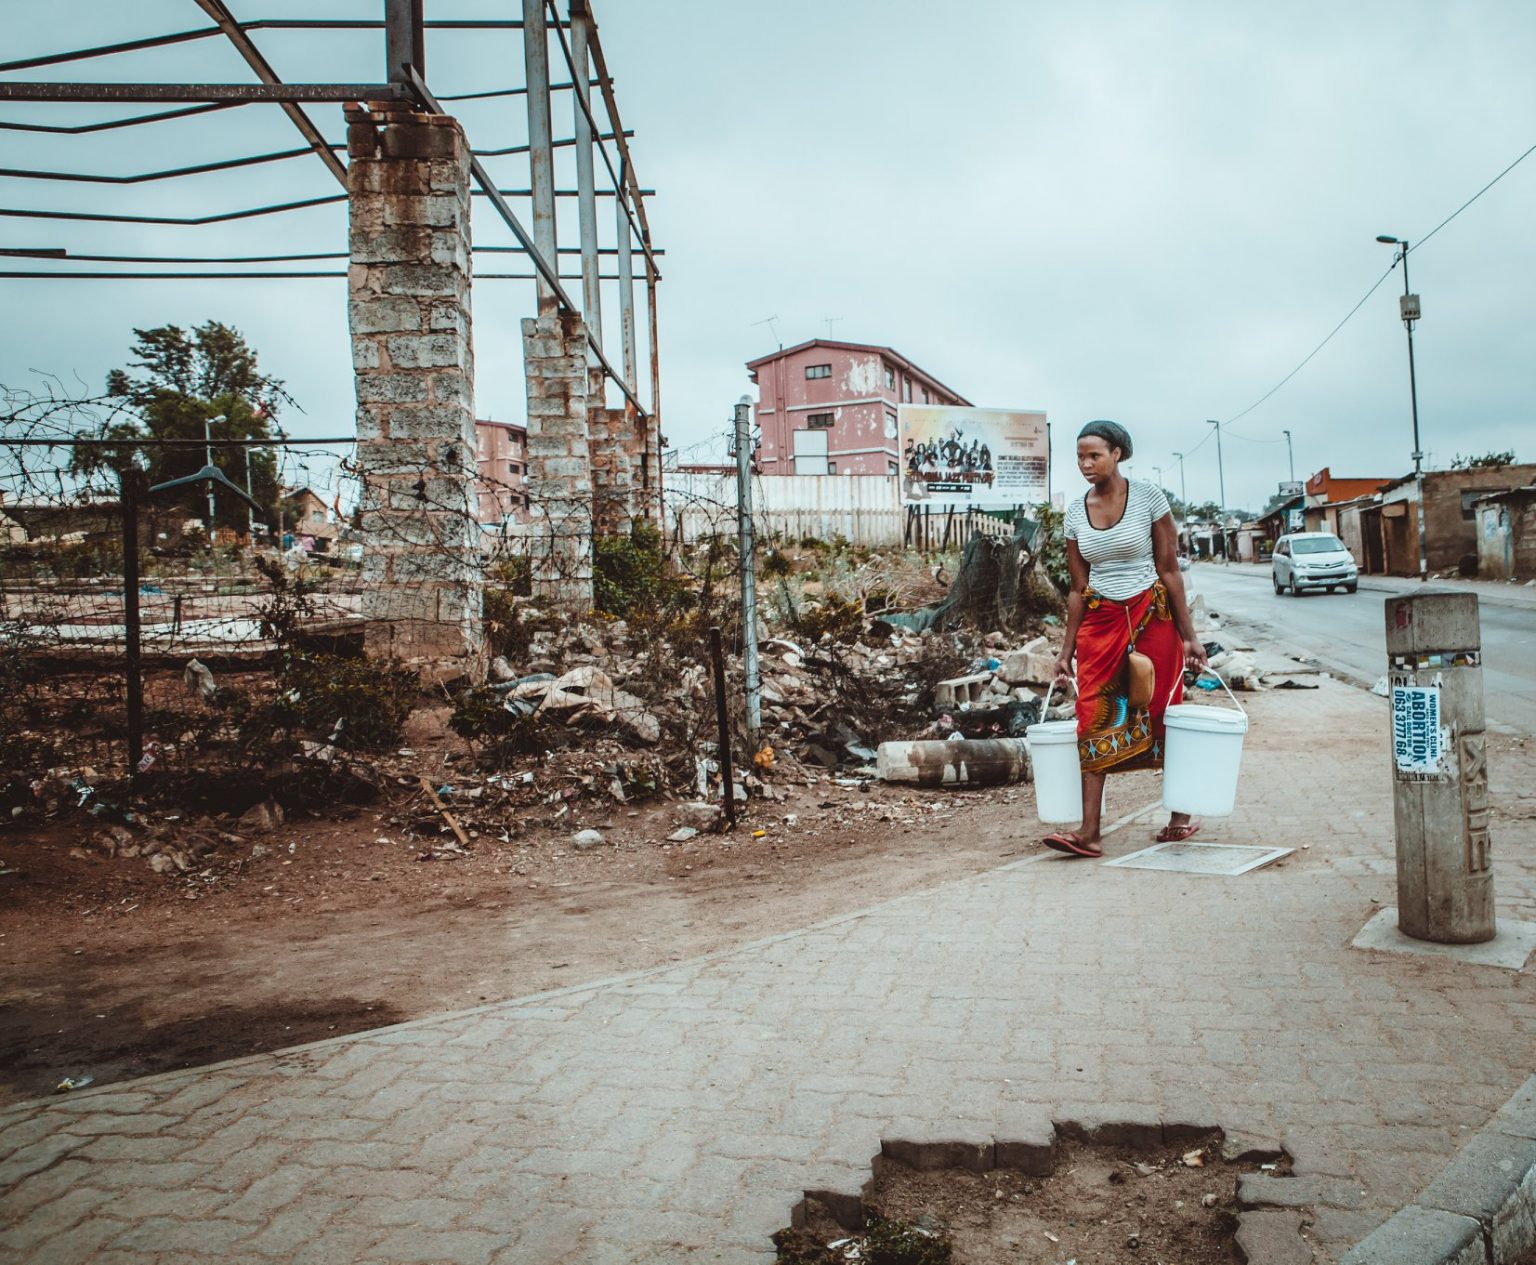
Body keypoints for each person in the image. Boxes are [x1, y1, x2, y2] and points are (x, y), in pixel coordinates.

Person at [1042, 420, 1209, 858]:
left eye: (1093, 455)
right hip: (1100, 623)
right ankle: (1089, 832)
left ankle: (1179, 816)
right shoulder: (1076, 513)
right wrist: (1065, 652)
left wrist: (1189, 637)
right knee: (1092, 715)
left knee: (1161, 711)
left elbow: (1170, 570)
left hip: (1152, 617)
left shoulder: (1150, 498)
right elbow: (1077, 589)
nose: (1084, 464)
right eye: (1079, 456)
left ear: (1117, 454)